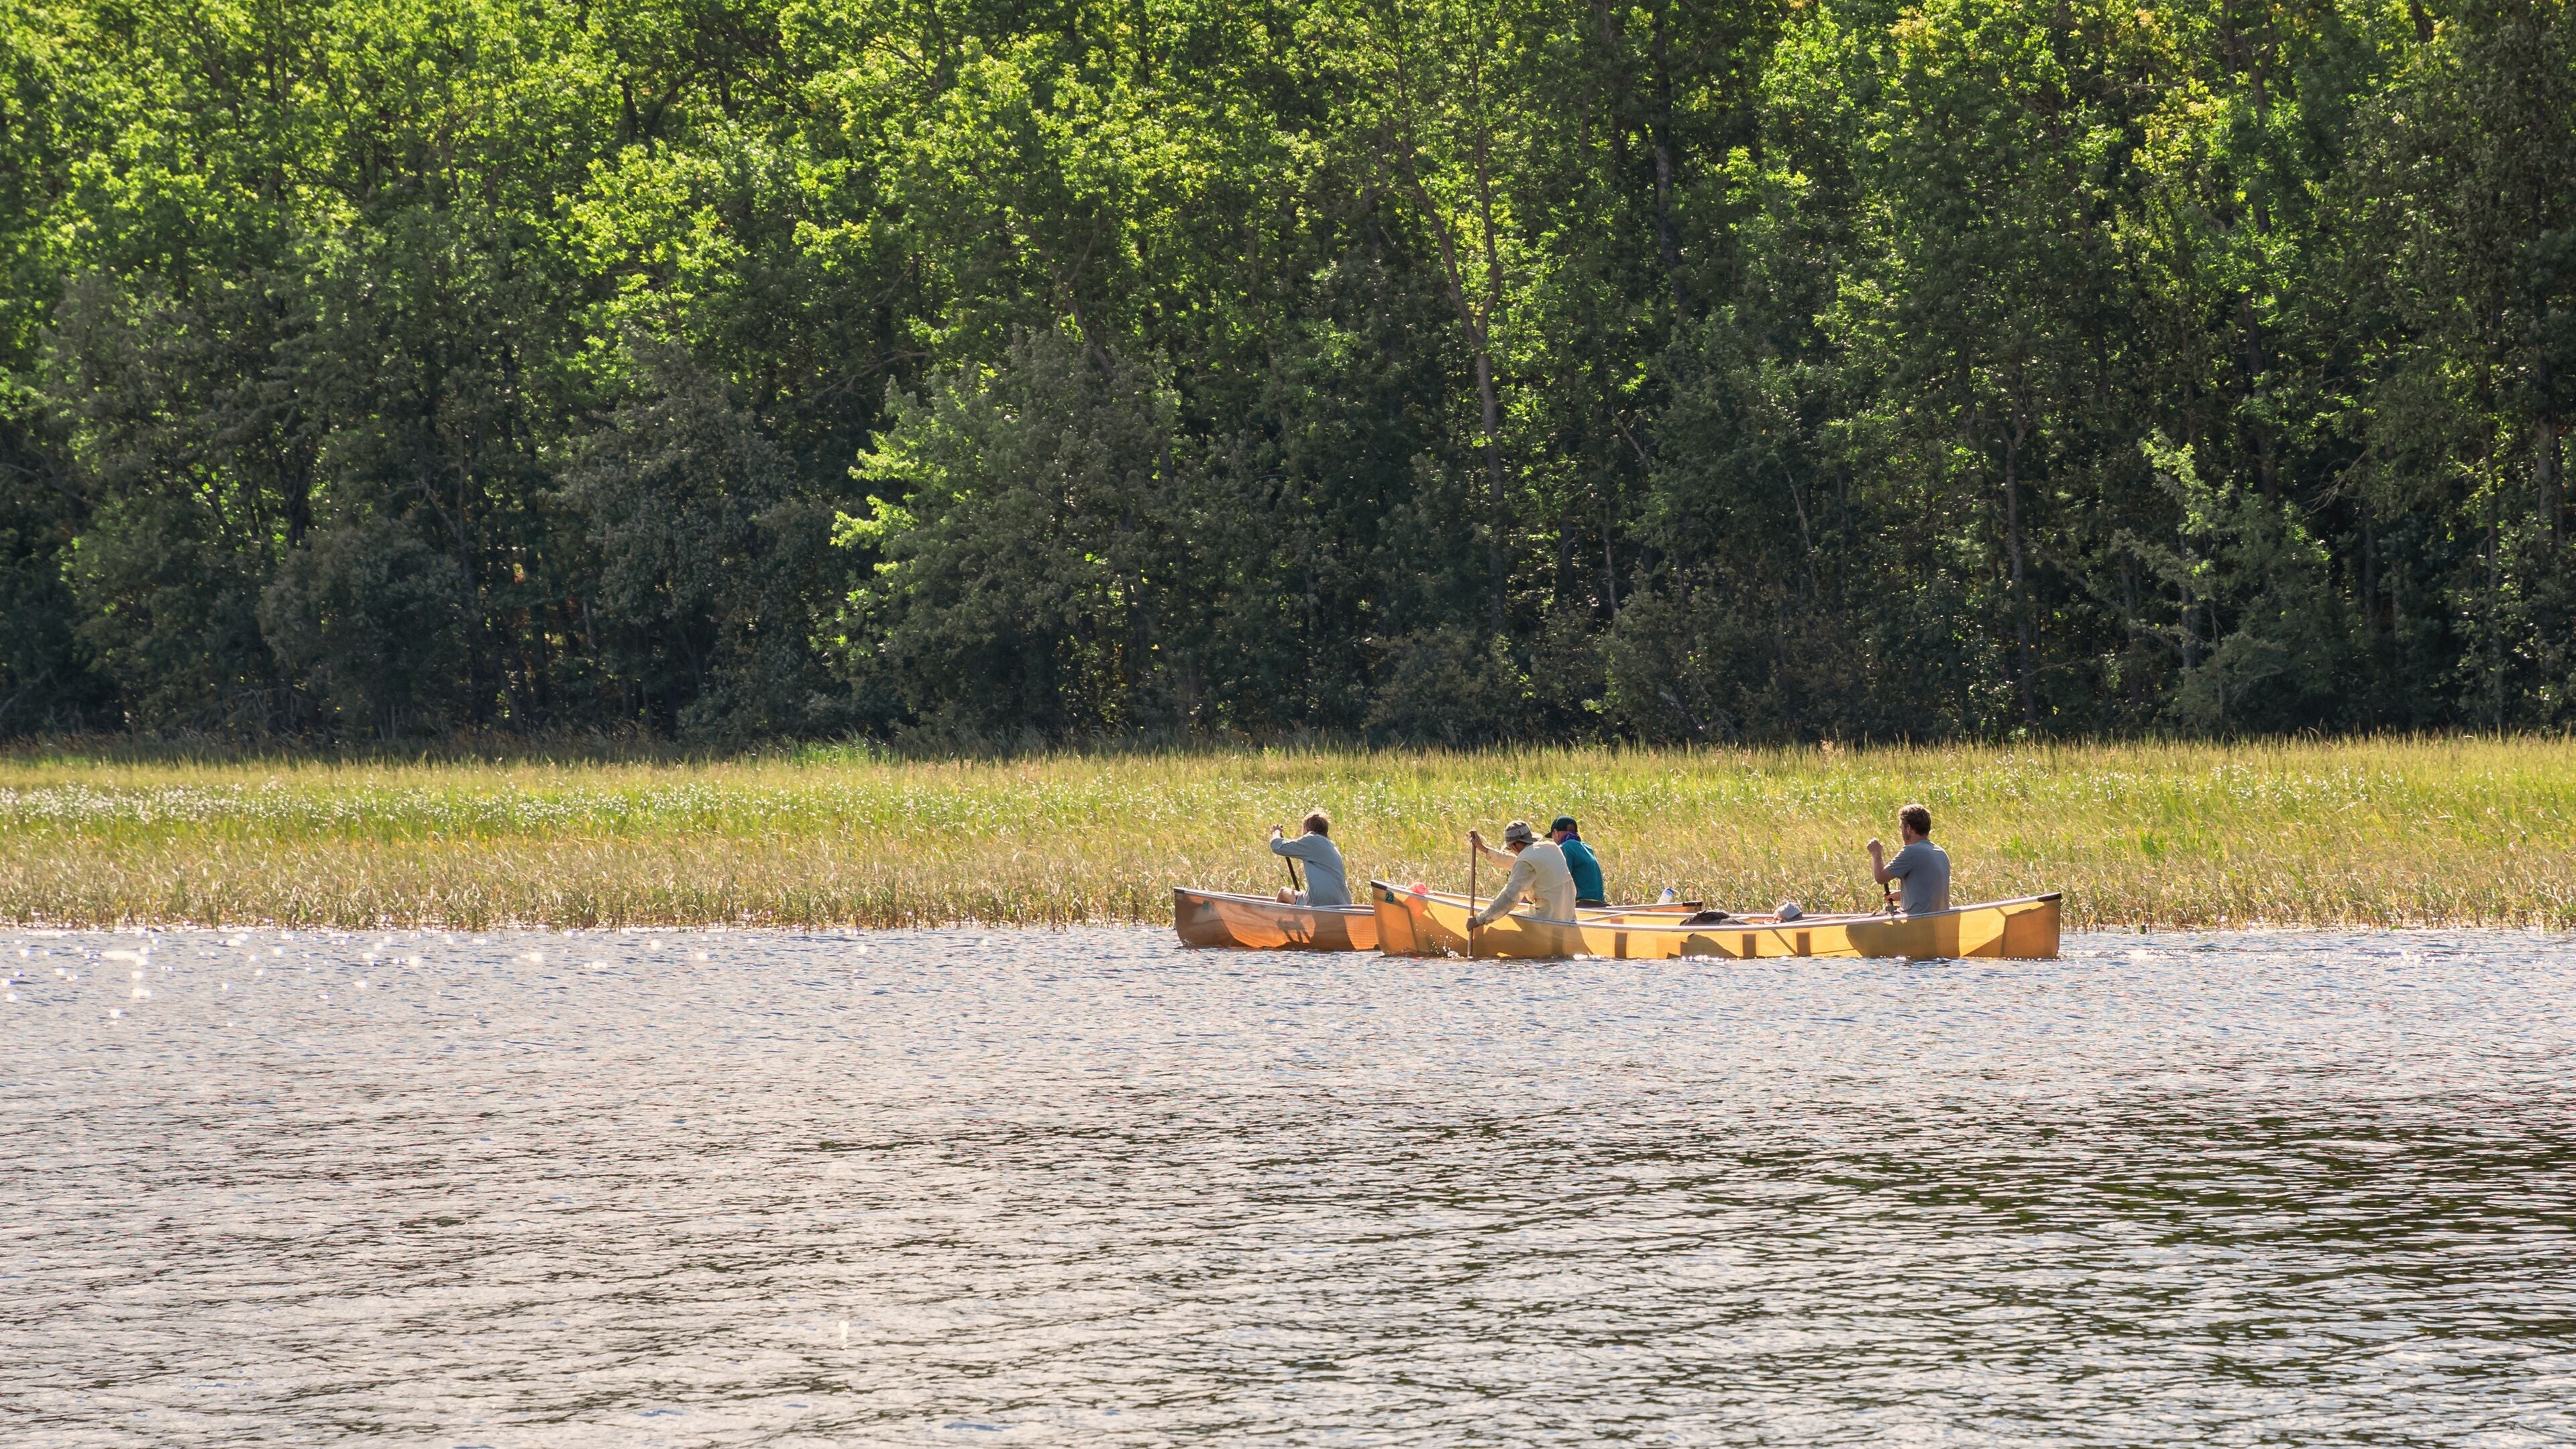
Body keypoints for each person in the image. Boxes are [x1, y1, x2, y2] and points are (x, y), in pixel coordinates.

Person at [1468, 819, 1576, 926]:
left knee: (1503, 921)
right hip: (1568, 917)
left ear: (1512, 846)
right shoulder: (1552, 848)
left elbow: (1509, 898)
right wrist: (1485, 849)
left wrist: (1479, 919)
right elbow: (1517, 862)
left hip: (1548, 920)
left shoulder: (1525, 860)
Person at [1867, 802, 1951, 915]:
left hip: (1917, 925)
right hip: (1938, 922)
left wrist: (1876, 854)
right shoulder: (1941, 853)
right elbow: (1930, 893)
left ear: (1908, 828)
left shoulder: (1911, 851)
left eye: (1901, 828)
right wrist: (1901, 895)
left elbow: (1881, 878)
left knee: (1853, 928)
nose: (1901, 832)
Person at [1270, 811, 1350, 908]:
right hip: (1341, 901)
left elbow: (1277, 846)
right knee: (1301, 895)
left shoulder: (1311, 840)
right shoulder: (1331, 845)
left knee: (1283, 892)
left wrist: (1276, 832)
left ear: (1306, 829)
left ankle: (1273, 923)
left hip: (1321, 901)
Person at [1550, 816, 1607, 908]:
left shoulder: (1565, 847)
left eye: (1552, 836)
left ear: (1556, 833)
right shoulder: (1588, 848)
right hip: (1600, 903)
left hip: (1582, 904)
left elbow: (1561, 881)